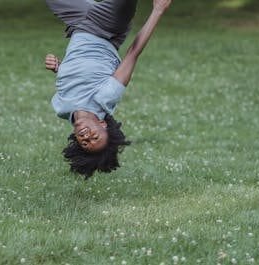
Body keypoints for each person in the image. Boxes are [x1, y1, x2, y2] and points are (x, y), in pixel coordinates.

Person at [45, 0, 172, 178]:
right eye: (95, 137)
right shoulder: (105, 98)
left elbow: (75, 79)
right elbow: (133, 53)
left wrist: (59, 68)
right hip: (106, 27)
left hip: (78, 24)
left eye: (85, 143)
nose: (86, 137)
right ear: (102, 124)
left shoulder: (62, 108)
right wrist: (158, 11)